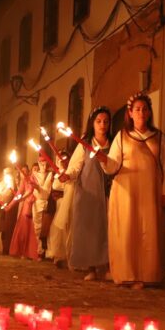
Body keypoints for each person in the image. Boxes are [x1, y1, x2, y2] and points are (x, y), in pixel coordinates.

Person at [98, 93, 165, 288]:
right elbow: (114, 164)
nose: (141, 112)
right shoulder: (122, 136)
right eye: (137, 109)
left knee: (149, 231)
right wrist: (104, 160)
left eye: (144, 109)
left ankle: (150, 274)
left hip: (150, 191)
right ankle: (128, 274)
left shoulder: (158, 137)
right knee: (128, 230)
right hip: (126, 191)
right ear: (130, 114)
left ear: (149, 113)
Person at [59, 107, 112, 280]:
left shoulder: (114, 143)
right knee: (89, 230)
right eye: (99, 121)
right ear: (93, 123)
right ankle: (91, 268)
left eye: (105, 121)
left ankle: (108, 266)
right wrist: (67, 174)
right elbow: (76, 166)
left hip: (108, 190)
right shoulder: (85, 144)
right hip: (88, 191)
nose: (102, 125)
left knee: (108, 229)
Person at [45, 150, 72, 267]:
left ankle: (69, 255)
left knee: (66, 228)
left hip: (67, 201)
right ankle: (59, 255)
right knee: (57, 229)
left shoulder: (69, 172)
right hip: (58, 204)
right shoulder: (54, 174)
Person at [8, 164, 38, 260]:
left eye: (26, 171)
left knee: (32, 228)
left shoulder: (33, 177)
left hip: (34, 203)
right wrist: (9, 206)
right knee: (23, 229)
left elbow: (31, 190)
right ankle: (22, 251)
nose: (24, 173)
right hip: (26, 204)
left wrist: (23, 198)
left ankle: (31, 252)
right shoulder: (24, 180)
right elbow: (18, 194)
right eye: (22, 172)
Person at [31, 158, 52, 258]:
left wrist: (38, 188)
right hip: (36, 204)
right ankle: (38, 251)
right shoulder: (34, 174)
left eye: (45, 162)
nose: (43, 164)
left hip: (47, 203)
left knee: (45, 229)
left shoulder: (50, 174)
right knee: (36, 228)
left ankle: (44, 251)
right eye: (41, 162)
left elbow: (47, 191)